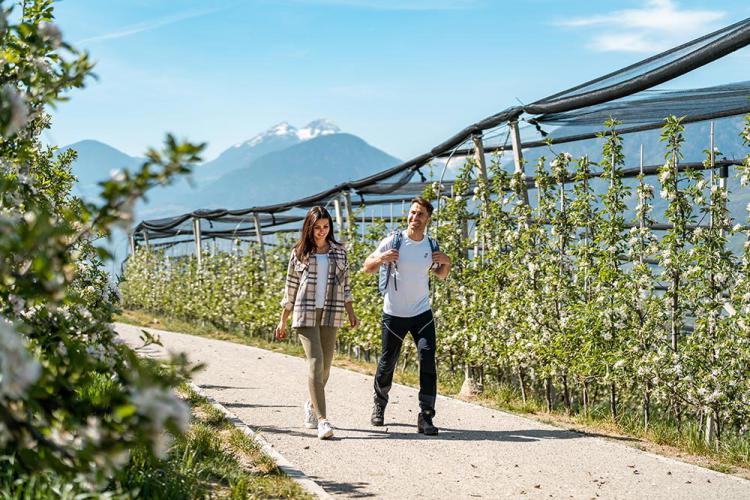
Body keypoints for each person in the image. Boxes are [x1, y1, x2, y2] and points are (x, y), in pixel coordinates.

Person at [362, 197, 451, 435]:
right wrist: (381, 258)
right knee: (387, 362)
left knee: (428, 360)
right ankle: (379, 406)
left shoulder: (430, 245)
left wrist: (447, 263)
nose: (414, 218)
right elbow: (366, 266)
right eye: (412, 213)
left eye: (420, 214)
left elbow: (440, 274)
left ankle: (426, 417)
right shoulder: (394, 240)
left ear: (428, 219)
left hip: (422, 313)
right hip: (394, 314)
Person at [276, 206, 358, 440]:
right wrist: (283, 320)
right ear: (309, 227)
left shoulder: (339, 252)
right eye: (317, 227)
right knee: (316, 360)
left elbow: (346, 287)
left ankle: (311, 405)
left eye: (326, 227)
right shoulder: (299, 252)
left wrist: (350, 312)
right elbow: (290, 288)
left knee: (326, 367)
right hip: (304, 312)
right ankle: (323, 420)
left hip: (331, 312)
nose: (322, 231)